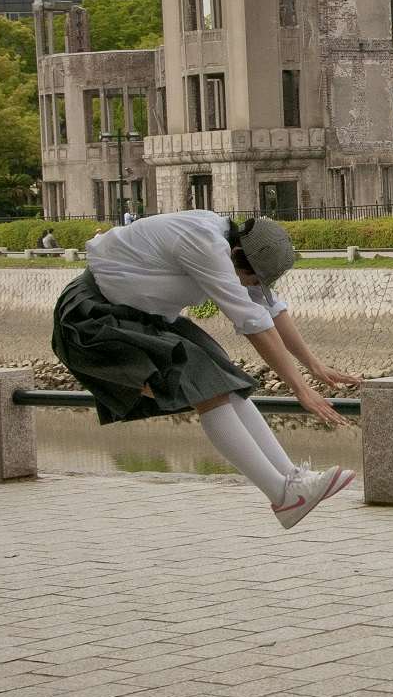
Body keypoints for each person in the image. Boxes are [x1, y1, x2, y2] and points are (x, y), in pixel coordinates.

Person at [51, 211, 360, 529]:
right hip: (93, 317)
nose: (253, 286)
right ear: (239, 256)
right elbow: (251, 321)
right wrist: (298, 386)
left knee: (227, 381)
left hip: (140, 315)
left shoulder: (237, 247)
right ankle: (283, 496)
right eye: (252, 279)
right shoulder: (205, 243)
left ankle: (291, 480)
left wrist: (313, 365)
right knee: (206, 387)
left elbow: (269, 309)